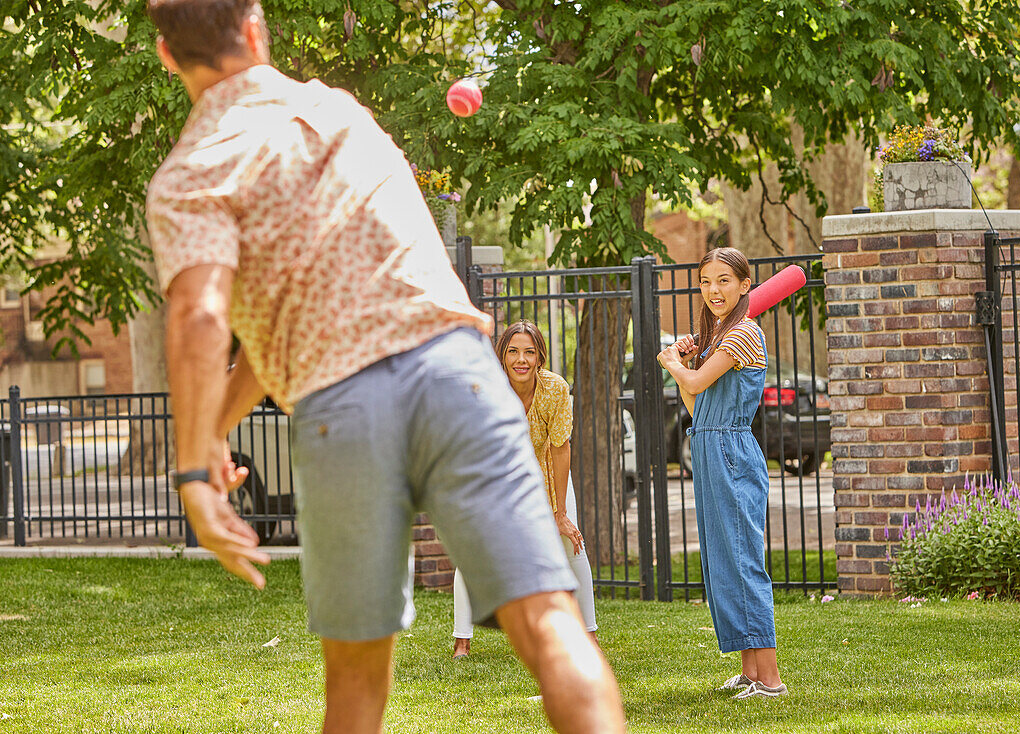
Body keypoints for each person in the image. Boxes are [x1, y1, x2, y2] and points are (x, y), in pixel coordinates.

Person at [143, 2, 625, 732]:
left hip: (341, 405)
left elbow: (204, 316)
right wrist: (217, 431)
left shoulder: (191, 174)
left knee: (356, 685)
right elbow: (291, 326)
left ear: (164, 55)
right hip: (459, 371)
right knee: (552, 628)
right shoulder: (338, 113)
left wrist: (192, 471)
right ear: (255, 29)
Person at [656, 247, 787, 699]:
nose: (714, 290)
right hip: (709, 443)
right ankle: (750, 672)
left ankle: (769, 678)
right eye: (707, 281)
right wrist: (684, 365)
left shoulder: (743, 334)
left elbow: (693, 384)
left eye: (724, 281)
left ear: (745, 285)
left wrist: (676, 362)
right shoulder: (719, 338)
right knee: (721, 561)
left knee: (742, 559)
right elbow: (699, 408)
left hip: (731, 451)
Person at [452, 321, 597, 658]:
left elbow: (561, 448)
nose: (521, 359)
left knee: (571, 544)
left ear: (540, 357)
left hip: (547, 473)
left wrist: (560, 514)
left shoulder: (556, 389)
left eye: (529, 352)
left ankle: (588, 636)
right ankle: (462, 640)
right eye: (513, 351)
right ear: (502, 356)